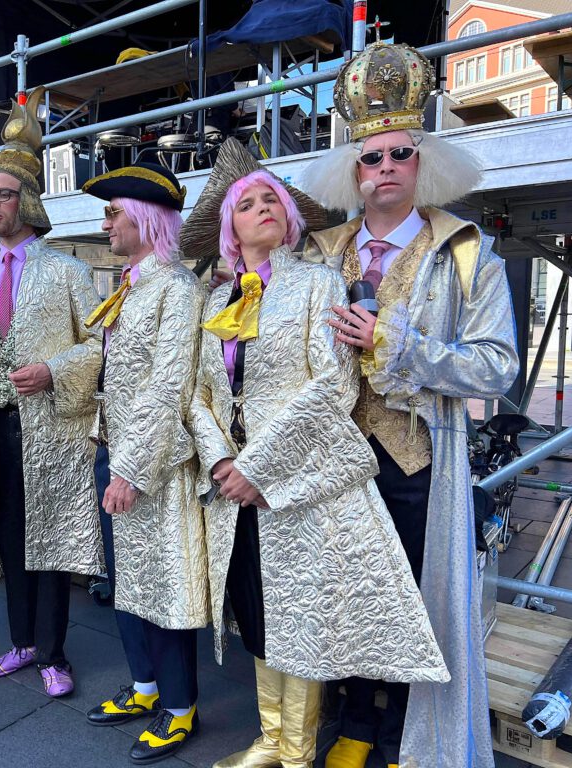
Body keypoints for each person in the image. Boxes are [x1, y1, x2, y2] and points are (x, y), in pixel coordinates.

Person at [184, 139, 449, 768]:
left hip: (300, 480)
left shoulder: (318, 281)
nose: (261, 208)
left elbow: (334, 384)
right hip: (235, 484)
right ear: (231, 228)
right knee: (256, 608)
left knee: (301, 613)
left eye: (270, 198)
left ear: (289, 215)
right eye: (247, 204)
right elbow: (197, 392)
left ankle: (298, 752)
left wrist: (257, 466)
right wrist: (222, 458)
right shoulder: (215, 301)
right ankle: (271, 738)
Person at [298, 43, 520, 768]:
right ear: (352, 170)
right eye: (371, 157)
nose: (385, 167)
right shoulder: (320, 254)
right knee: (350, 594)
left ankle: (403, 739)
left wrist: (397, 340)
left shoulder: (465, 254)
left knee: (415, 605)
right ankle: (355, 724)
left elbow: (496, 366)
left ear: (422, 163)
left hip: (418, 459)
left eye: (400, 154)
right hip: (336, 458)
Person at [0, 86, 103, 698]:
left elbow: (98, 346)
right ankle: (20, 644)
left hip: (55, 428)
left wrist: (55, 371)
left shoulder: (67, 269)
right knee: (10, 538)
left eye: (2, 194)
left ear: (27, 201)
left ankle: (55, 654)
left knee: (52, 543)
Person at [80, 163, 209, 763]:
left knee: (165, 588)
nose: (105, 223)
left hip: (153, 466)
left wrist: (130, 468)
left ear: (147, 219)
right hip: (122, 458)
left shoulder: (178, 288)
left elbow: (170, 386)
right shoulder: (134, 284)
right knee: (128, 584)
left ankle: (180, 709)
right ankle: (144, 688)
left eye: (113, 212)